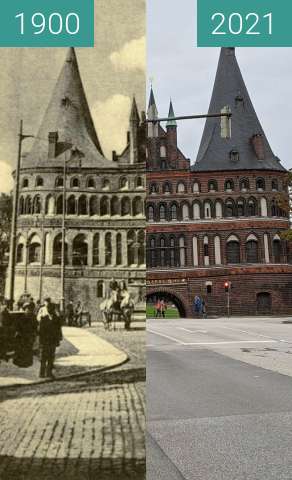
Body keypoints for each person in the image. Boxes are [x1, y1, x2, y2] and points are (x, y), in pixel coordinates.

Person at [39, 302, 62, 378]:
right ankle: (42, 373)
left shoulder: (57, 318)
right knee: (43, 357)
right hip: (45, 341)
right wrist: (41, 342)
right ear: (47, 309)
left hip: (52, 341)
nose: (50, 310)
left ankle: (49, 373)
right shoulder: (44, 318)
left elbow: (59, 330)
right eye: (48, 308)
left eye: (52, 309)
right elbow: (40, 331)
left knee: (51, 357)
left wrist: (58, 339)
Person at [13, 303, 38, 368]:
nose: (28, 310)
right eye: (27, 309)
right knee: (21, 350)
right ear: (25, 309)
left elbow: (35, 326)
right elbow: (17, 326)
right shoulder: (21, 317)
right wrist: (18, 332)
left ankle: (27, 363)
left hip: (29, 336)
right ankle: (20, 363)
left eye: (30, 309)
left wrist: (34, 334)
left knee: (28, 349)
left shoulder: (33, 317)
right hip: (22, 336)